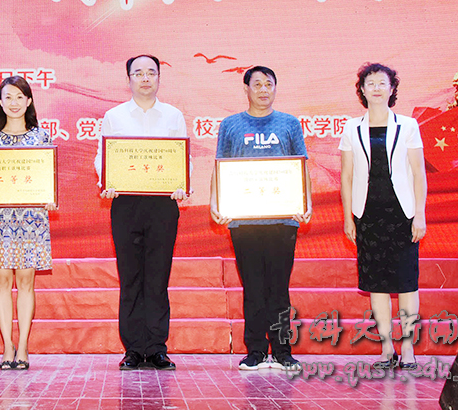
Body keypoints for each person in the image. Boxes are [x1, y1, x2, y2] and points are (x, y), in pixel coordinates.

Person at [210, 66, 312, 371]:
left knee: (279, 288)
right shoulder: (231, 125)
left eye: (269, 84)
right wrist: (216, 203)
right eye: (257, 84)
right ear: (246, 89)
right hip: (244, 221)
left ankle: (282, 351)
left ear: (276, 88)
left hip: (283, 220)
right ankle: (255, 350)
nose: (263, 90)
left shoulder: (289, 123)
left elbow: (301, 166)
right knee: (253, 287)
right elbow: (220, 166)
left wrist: (306, 202)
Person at [94, 54, 189, 370]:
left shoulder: (173, 115)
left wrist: (181, 184)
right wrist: (107, 181)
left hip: (163, 204)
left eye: (151, 72)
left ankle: (157, 348)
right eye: (138, 73)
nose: (145, 78)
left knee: (158, 277)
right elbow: (102, 157)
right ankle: (134, 349)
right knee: (131, 277)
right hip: (126, 204)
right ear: (129, 79)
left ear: (159, 77)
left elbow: (182, 157)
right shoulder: (114, 116)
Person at [339, 63, 427, 370]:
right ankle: (386, 348)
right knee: (376, 284)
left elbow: (419, 174)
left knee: (406, 283)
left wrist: (420, 215)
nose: (376, 88)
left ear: (392, 89)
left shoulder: (408, 125)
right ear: (362, 90)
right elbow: (347, 176)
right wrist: (348, 218)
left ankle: (408, 348)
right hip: (368, 214)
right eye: (370, 83)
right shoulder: (352, 128)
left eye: (382, 83)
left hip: (402, 214)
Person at [0, 76, 55, 370]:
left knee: (26, 282)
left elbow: (49, 179)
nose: (14, 103)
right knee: (2, 282)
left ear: (29, 101)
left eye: (20, 97)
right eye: (8, 97)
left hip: (30, 219)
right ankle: (7, 346)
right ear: (0, 102)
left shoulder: (41, 138)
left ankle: (24, 346)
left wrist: (49, 197)